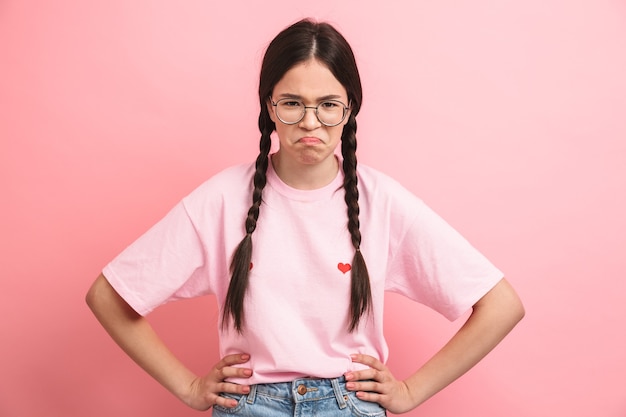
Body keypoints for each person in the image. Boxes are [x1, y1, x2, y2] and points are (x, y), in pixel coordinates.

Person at [86, 18, 524, 416]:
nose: (310, 123)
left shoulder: (382, 201)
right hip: (250, 405)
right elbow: (109, 295)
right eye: (292, 103)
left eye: (329, 104)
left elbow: (501, 305)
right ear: (269, 106)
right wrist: (187, 386)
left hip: (348, 404)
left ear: (349, 109)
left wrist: (411, 391)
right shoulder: (222, 198)